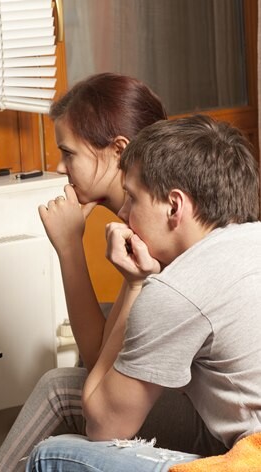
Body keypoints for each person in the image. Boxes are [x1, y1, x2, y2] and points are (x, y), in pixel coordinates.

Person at [0, 74, 227, 472]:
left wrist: (69, 249)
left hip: (215, 425)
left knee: (58, 389)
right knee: (103, 318)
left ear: (118, 150)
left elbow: (99, 369)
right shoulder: (151, 214)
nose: (60, 167)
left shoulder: (163, 230)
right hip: (190, 400)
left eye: (68, 153)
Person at [28, 114, 261, 471]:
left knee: (51, 454)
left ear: (174, 206)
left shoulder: (179, 289)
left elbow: (104, 425)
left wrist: (137, 284)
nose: (123, 213)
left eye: (133, 199)